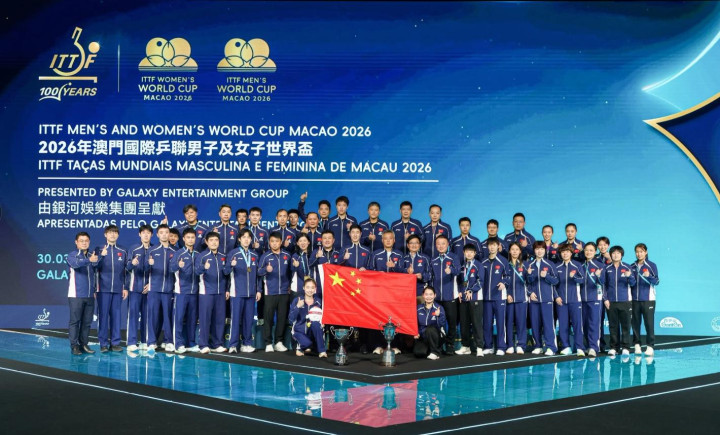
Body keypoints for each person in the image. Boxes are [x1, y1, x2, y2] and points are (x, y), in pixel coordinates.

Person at [225, 228, 261, 353]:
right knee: (235, 320)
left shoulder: (254, 255)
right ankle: (233, 344)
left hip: (251, 293)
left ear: (251, 240)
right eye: (243, 237)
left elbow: (258, 275)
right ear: (239, 239)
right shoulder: (233, 253)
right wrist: (231, 265)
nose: (246, 239)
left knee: (248, 320)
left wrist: (259, 290)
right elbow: (225, 272)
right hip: (236, 292)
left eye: (248, 237)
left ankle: (247, 344)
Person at [94, 224, 128, 352]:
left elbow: (126, 271)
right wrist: (101, 256)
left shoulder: (123, 250)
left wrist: (125, 287)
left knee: (116, 317)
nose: (112, 234)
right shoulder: (99, 249)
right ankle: (103, 343)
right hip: (103, 289)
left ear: (118, 235)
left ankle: (115, 343)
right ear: (105, 234)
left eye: (115, 232)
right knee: (103, 317)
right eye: (110, 232)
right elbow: (94, 267)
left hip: (118, 289)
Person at [258, 232, 293, 352]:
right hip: (270, 292)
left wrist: (290, 285)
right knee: (268, 318)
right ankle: (268, 343)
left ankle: (279, 342)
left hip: (284, 292)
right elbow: (258, 272)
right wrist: (265, 270)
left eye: (277, 241)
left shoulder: (287, 255)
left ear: (281, 242)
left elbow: (291, 272)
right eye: (272, 241)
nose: (274, 243)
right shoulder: (265, 256)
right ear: (269, 242)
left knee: (282, 318)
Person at [195, 231, 229, 354]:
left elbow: (226, 275)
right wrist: (204, 267)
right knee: (205, 319)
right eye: (211, 240)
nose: (214, 242)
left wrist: (227, 289)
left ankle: (217, 344)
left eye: (216, 240)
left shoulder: (223, 256)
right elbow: (196, 271)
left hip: (220, 292)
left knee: (219, 319)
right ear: (206, 242)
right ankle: (203, 344)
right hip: (206, 292)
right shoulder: (202, 256)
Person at [66, 231, 99, 355]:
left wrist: (94, 290)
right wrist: (89, 260)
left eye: (86, 241)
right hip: (76, 295)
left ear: (89, 242)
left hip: (90, 295)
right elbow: (75, 265)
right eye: (81, 241)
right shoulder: (72, 255)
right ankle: (74, 346)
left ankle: (84, 344)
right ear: (76, 242)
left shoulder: (92, 255)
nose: (84, 243)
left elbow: (95, 274)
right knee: (75, 321)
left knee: (87, 322)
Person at [145, 224, 176, 352]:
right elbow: (144, 269)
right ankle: (152, 342)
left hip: (169, 290)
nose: (164, 235)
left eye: (166, 232)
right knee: (153, 317)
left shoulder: (175, 251)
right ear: (157, 235)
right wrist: (149, 264)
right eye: (161, 232)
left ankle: (168, 341)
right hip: (154, 289)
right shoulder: (152, 250)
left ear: (169, 234)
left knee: (168, 317)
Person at [169, 228, 200, 354]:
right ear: (184, 239)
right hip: (181, 291)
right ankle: (178, 344)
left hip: (194, 292)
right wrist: (178, 265)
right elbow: (171, 268)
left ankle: (191, 343)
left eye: (192, 237)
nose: (190, 240)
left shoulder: (198, 254)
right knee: (179, 318)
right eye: (188, 237)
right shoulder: (179, 253)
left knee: (192, 319)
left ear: (195, 239)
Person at [526, 241, 561, 355]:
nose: (539, 251)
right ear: (534, 251)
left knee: (548, 324)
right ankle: (538, 346)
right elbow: (525, 283)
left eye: (541, 249)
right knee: (535, 324)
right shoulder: (529, 265)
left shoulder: (550, 264)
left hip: (547, 299)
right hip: (534, 300)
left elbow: (556, 281)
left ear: (545, 250)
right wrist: (530, 293)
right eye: (537, 249)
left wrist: (547, 276)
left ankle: (551, 347)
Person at [429, 235, 461, 355]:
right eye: (438, 244)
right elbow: (429, 276)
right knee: (437, 322)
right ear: (436, 245)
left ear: (448, 245)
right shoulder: (433, 259)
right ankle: (438, 344)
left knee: (452, 322)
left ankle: (450, 344)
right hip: (437, 298)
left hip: (451, 296)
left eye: (443, 243)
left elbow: (458, 270)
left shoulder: (453, 257)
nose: (441, 246)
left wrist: (451, 270)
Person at [604, 245, 636, 357]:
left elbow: (633, 283)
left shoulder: (627, 267)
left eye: (618, 253)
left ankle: (626, 347)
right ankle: (614, 347)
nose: (615, 255)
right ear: (611, 255)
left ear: (621, 255)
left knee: (626, 325)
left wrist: (629, 276)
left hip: (625, 301)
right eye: (613, 253)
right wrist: (605, 299)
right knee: (613, 326)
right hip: (611, 302)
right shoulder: (607, 268)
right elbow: (604, 285)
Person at [480, 238, 510, 355]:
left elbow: (508, 276)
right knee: (487, 323)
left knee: (500, 323)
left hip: (499, 297)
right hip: (486, 298)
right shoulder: (483, 262)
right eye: (490, 245)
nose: (492, 247)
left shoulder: (503, 261)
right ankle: (488, 346)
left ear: (498, 246)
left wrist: (504, 283)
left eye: (494, 245)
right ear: (487, 247)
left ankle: (501, 347)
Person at [126, 224, 153, 352]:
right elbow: (127, 267)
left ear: (151, 235)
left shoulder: (154, 249)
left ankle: (144, 341)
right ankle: (131, 342)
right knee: (133, 316)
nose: (146, 235)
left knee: (147, 316)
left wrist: (151, 284)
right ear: (139, 234)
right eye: (143, 233)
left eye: (148, 233)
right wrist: (132, 263)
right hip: (134, 288)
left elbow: (157, 270)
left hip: (149, 289)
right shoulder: (133, 249)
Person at [555, 244, 585, 356]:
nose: (565, 254)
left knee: (577, 325)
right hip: (561, 301)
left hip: (575, 300)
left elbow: (582, 280)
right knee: (563, 325)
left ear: (571, 253)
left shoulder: (577, 265)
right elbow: (553, 284)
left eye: (567, 252)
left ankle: (580, 347)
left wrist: (575, 277)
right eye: (563, 252)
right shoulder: (557, 267)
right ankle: (566, 346)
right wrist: (556, 296)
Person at [631, 243, 660, 356]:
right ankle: (637, 345)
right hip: (634, 299)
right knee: (635, 323)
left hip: (648, 299)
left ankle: (650, 346)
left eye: (641, 251)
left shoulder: (651, 265)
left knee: (649, 323)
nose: (639, 254)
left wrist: (649, 276)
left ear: (646, 252)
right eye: (637, 252)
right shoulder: (632, 266)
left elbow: (657, 281)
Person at [456, 244, 484, 357]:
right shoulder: (462, 266)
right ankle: (465, 346)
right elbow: (459, 282)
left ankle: (479, 347)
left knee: (477, 324)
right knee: (464, 323)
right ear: (464, 253)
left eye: (471, 252)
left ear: (475, 253)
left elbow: (481, 281)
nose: (469, 254)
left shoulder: (478, 265)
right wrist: (459, 291)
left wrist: (471, 290)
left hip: (475, 298)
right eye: (467, 251)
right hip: (463, 299)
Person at [289, 277, 327, 358]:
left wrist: (323, 322)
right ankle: (302, 346)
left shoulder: (319, 302)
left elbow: (323, 316)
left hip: (312, 332)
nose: (310, 290)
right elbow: (291, 319)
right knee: (307, 344)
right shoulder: (297, 300)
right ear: (303, 288)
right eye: (308, 287)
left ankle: (322, 351)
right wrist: (298, 307)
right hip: (299, 332)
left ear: (315, 289)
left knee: (316, 324)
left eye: (312, 287)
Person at [580, 242, 605, 357]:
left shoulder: (600, 265)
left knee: (594, 323)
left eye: (591, 250)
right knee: (585, 324)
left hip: (595, 298)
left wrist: (598, 275)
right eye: (586, 250)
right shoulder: (581, 266)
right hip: (582, 299)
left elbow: (603, 282)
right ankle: (588, 345)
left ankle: (594, 347)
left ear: (595, 252)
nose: (588, 252)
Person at [506, 242, 529, 355]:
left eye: (517, 249)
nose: (514, 251)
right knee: (508, 323)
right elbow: (502, 281)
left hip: (521, 298)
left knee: (521, 323)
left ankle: (521, 345)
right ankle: (510, 345)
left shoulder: (525, 265)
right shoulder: (505, 265)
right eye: (512, 249)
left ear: (520, 251)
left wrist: (530, 274)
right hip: (508, 299)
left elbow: (529, 282)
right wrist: (506, 294)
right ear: (509, 251)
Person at [415, 287, 447, 360]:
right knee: (419, 353)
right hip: (424, 336)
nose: (428, 297)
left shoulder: (439, 308)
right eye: (426, 294)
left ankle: (435, 352)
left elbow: (442, 325)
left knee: (429, 329)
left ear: (434, 295)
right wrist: (416, 332)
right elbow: (415, 322)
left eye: (431, 294)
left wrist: (438, 316)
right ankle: (430, 349)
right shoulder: (418, 308)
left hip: (437, 336)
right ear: (423, 295)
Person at [312, 230, 340, 296]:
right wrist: (316, 256)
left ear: (333, 240)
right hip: (319, 286)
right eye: (325, 238)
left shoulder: (338, 253)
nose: (327, 240)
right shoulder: (316, 252)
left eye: (329, 238)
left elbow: (343, 269)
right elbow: (310, 265)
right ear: (321, 240)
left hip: (334, 286)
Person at [290, 233, 315, 297]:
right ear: (297, 243)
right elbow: (291, 270)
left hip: (311, 288)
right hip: (298, 288)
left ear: (308, 242)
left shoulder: (313, 255)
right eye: (300, 241)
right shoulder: (295, 256)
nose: (303, 243)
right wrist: (295, 266)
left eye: (304, 240)